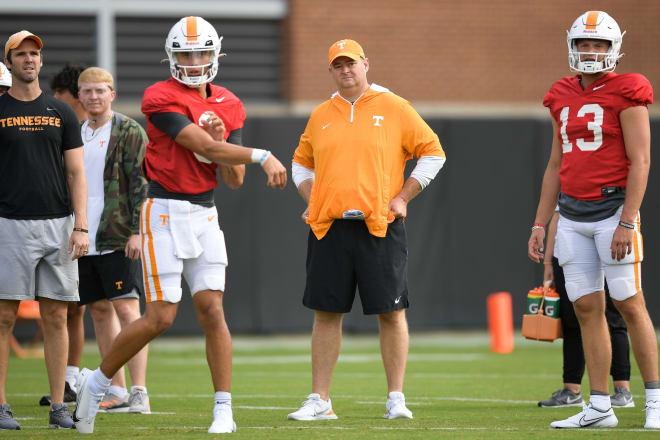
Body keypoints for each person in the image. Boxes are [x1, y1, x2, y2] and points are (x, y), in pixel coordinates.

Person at [73, 16, 287, 434]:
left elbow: (233, 179)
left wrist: (227, 143)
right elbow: (202, 145)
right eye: (186, 53)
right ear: (171, 57)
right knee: (161, 317)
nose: (194, 60)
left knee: (212, 309)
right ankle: (97, 384)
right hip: (164, 213)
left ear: (215, 54)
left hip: (205, 214)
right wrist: (259, 154)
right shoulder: (160, 96)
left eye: (202, 52)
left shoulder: (229, 101)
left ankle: (223, 408)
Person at [288, 39, 446, 422]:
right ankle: (320, 400)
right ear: (331, 71)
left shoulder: (394, 107)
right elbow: (300, 164)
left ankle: (396, 398)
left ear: (366, 64)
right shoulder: (321, 114)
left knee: (391, 313)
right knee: (326, 313)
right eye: (338, 65)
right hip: (329, 228)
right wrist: (312, 199)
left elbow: (433, 153)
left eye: (352, 63)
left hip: (380, 227)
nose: (346, 70)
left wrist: (404, 196)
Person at [528, 11, 659, 429]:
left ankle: (655, 401)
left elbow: (640, 161)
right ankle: (600, 406)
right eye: (584, 44)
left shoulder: (628, 89)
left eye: (599, 44)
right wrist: (538, 223)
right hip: (571, 214)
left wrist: (627, 220)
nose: (591, 51)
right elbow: (555, 164)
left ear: (614, 48)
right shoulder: (560, 93)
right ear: (572, 46)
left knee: (630, 304)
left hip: (612, 211)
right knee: (585, 307)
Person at [0, 30, 89, 430]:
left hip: (58, 225)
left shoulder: (61, 112)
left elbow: (77, 173)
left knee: (57, 315)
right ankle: (1, 406)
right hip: (8, 224)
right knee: (3, 317)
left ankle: (58, 407)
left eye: (34, 53)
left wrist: (81, 226)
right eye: (21, 54)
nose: (29, 60)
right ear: (10, 62)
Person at [76, 67, 151, 414]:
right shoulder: (76, 133)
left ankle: (139, 391)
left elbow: (142, 182)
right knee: (100, 311)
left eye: (100, 91)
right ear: (79, 96)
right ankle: (116, 390)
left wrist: (136, 230)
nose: (94, 97)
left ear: (112, 94)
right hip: (83, 238)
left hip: (119, 234)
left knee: (127, 309)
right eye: (87, 91)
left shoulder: (128, 130)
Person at [538, 211, 633, 408]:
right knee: (572, 320)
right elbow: (557, 217)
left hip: (605, 244)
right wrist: (548, 261)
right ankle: (571, 389)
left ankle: (622, 389)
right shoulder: (566, 184)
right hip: (569, 250)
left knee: (613, 318)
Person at [39, 62, 88, 408]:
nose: (55, 98)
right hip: (60, 223)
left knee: (81, 308)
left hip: (86, 226)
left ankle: (78, 378)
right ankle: (70, 381)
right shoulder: (52, 125)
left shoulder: (92, 128)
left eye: (61, 93)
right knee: (70, 308)